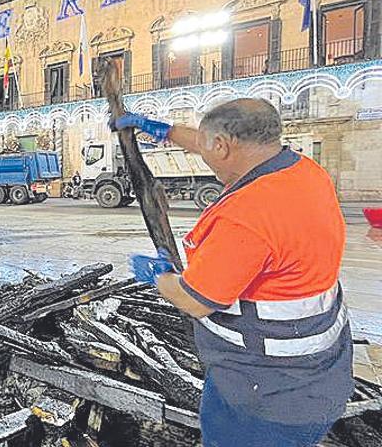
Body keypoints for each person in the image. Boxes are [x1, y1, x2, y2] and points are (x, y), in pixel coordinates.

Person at [117, 98, 352, 447]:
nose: (204, 154)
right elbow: (209, 142)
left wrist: (160, 276)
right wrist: (163, 132)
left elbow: (196, 301)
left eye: (208, 146)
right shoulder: (304, 172)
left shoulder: (248, 215)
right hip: (319, 374)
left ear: (223, 145)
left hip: (267, 397)